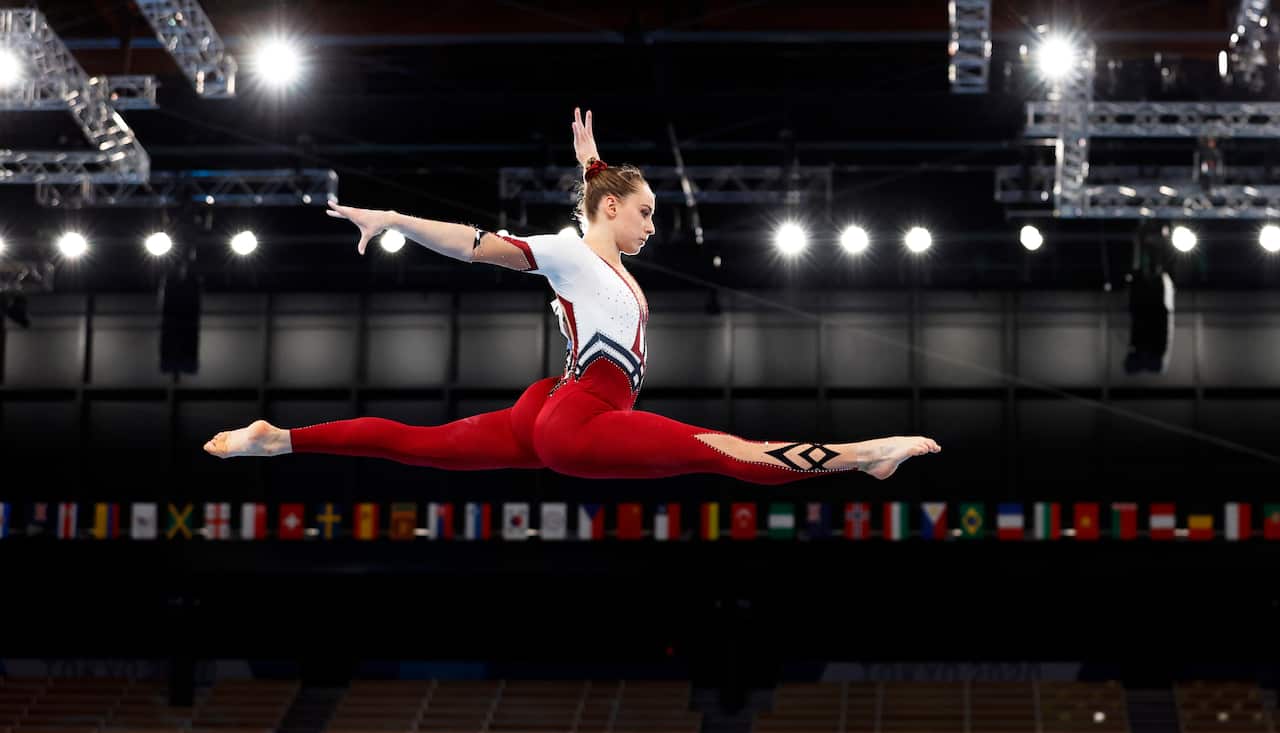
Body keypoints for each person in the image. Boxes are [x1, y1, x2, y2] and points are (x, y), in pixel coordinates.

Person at [205, 109, 940, 484]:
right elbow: (471, 243)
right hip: (579, 416)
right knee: (729, 453)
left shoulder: (589, 247)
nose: (653, 226)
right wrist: (396, 219)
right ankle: (866, 455)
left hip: (555, 405)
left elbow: (596, 213)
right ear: (614, 211)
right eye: (646, 212)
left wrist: (593, 163)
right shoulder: (565, 253)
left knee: (418, 444)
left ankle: (281, 439)